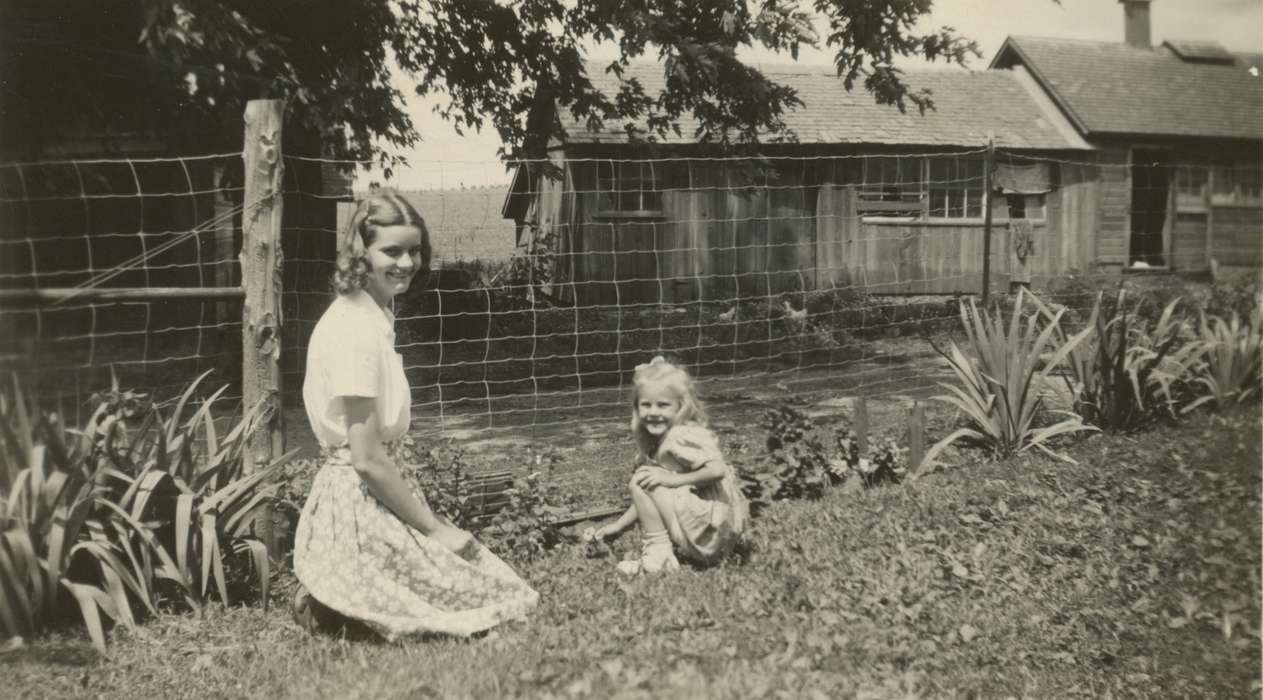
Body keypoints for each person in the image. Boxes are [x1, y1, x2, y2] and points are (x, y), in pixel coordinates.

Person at [291, 190, 538, 639]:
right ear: (360, 253)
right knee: (491, 601)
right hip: (359, 502)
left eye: (414, 250)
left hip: (376, 490)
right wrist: (435, 529)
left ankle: (341, 601)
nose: (406, 263)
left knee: (499, 588)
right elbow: (365, 459)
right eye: (391, 251)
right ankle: (334, 602)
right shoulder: (353, 331)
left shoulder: (373, 316)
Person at [582, 356, 748, 574]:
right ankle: (660, 553)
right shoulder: (661, 441)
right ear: (636, 408)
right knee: (645, 479)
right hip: (710, 532)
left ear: (681, 406)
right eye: (646, 405)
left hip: (710, 530)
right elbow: (650, 497)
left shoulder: (681, 436)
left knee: (642, 479)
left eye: (663, 405)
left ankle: (659, 558)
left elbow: (716, 470)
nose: (653, 412)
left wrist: (673, 479)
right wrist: (618, 526)